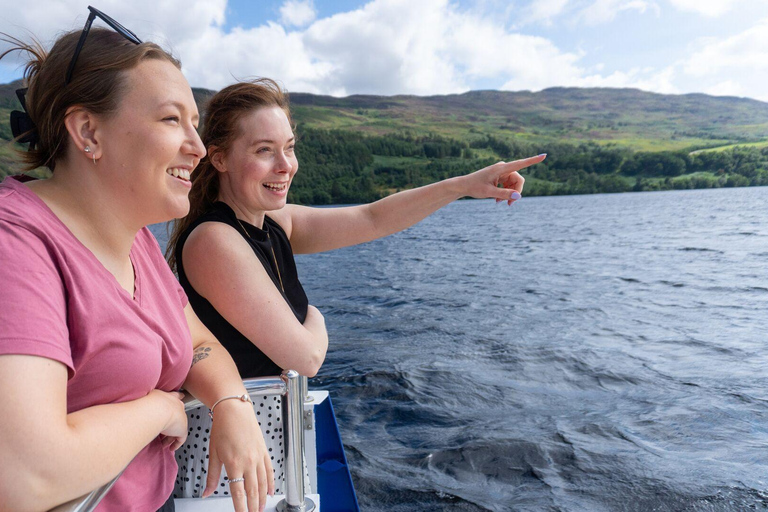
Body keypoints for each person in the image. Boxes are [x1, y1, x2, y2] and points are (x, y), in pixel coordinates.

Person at [0, 9, 273, 512]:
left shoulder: (136, 240)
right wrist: (158, 410)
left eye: (196, 124)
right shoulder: (15, 244)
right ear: (89, 132)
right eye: (172, 119)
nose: (197, 147)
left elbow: (195, 341)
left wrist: (231, 403)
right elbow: (25, 475)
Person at [167, 78, 545, 382]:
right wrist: (315, 316)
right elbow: (307, 356)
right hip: (225, 458)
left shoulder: (273, 223)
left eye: (289, 147)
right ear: (219, 158)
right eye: (264, 150)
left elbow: (372, 219)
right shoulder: (213, 239)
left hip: (270, 441)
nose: (285, 165)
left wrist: (463, 185)